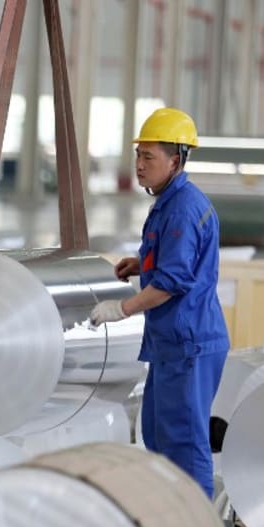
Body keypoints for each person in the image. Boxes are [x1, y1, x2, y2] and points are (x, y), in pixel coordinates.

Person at [91, 107, 229, 498]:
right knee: (157, 436)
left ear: (176, 159)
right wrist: (141, 265)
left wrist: (121, 309)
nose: (139, 164)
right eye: (138, 155)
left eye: (148, 156)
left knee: (184, 444)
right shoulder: (168, 202)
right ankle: (173, 517)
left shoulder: (184, 207)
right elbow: (171, 261)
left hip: (190, 346)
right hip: (170, 346)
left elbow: (172, 281)